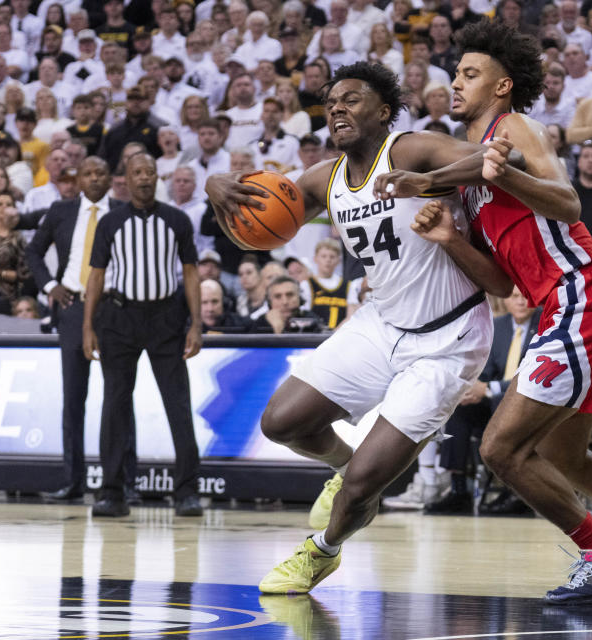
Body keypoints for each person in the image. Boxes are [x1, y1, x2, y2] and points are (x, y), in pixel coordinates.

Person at [382, 20, 592, 604]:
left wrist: (503, 171)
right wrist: (450, 239)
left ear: (503, 85)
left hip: (586, 294)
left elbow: (569, 201)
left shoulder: (516, 128)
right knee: (562, 452)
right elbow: (502, 282)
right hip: (570, 304)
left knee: (499, 449)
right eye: (455, 74)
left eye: (469, 74)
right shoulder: (472, 177)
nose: (455, 84)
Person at [205, 61, 496, 594]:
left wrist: (427, 181)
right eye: (331, 101)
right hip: (381, 323)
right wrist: (216, 185)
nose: (337, 107)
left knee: (366, 484)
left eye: (352, 99)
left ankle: (323, 551)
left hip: (447, 337)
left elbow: (503, 158)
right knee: (281, 421)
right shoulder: (324, 177)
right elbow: (256, 221)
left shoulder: (409, 149)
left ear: (384, 112)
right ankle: (343, 467)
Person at [82, 153, 204, 518]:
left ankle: (186, 492)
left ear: (157, 177)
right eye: (137, 172)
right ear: (127, 179)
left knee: (178, 405)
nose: (144, 178)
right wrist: (88, 326)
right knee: (115, 406)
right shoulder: (110, 222)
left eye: (149, 171)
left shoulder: (177, 220)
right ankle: (112, 492)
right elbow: (96, 276)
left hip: (166, 318)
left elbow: (191, 273)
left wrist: (196, 323)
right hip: (119, 319)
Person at [26, 156, 139, 503]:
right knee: (73, 400)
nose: (93, 178)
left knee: (119, 398)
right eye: (87, 172)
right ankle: (72, 481)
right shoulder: (61, 210)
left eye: (100, 172)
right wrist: (50, 286)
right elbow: (33, 251)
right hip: (72, 308)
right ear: (78, 178)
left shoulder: (125, 210)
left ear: (110, 178)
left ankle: (124, 483)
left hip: (113, 308)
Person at [425, 286, 540, 515]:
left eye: (525, 297)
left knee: (501, 402)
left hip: (531, 405)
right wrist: (472, 388)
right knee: (460, 406)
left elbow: (537, 376)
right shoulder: (496, 326)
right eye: (514, 296)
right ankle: (459, 490)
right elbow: (483, 371)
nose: (520, 302)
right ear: (506, 301)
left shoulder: (547, 326)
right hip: (493, 403)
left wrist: (489, 388)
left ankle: (515, 492)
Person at [298, 239, 360, 330]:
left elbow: (351, 316)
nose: (328, 260)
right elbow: (304, 314)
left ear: (338, 260)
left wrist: (334, 334)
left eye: (332, 256)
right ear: (315, 259)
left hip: (339, 336)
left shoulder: (349, 285)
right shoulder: (306, 284)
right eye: (324, 256)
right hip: (313, 336)